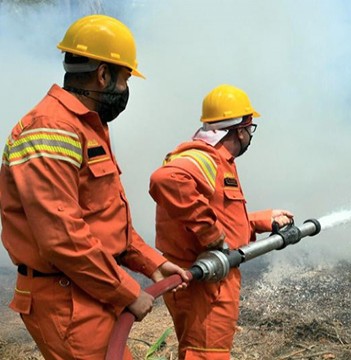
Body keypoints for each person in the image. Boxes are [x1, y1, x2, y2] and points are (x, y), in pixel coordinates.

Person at [0, 15, 188, 360]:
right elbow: (62, 237)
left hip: (88, 287)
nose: (126, 90)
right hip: (66, 299)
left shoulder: (85, 125)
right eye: (125, 78)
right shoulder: (50, 129)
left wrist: (152, 263)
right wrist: (126, 290)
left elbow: (105, 216)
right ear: (103, 74)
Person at [149, 84, 294, 359]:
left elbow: (218, 214)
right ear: (240, 130)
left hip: (209, 279)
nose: (250, 137)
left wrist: (261, 220)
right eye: (250, 129)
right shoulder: (203, 158)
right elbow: (165, 179)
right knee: (206, 354)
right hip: (206, 284)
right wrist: (211, 237)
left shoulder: (220, 161)